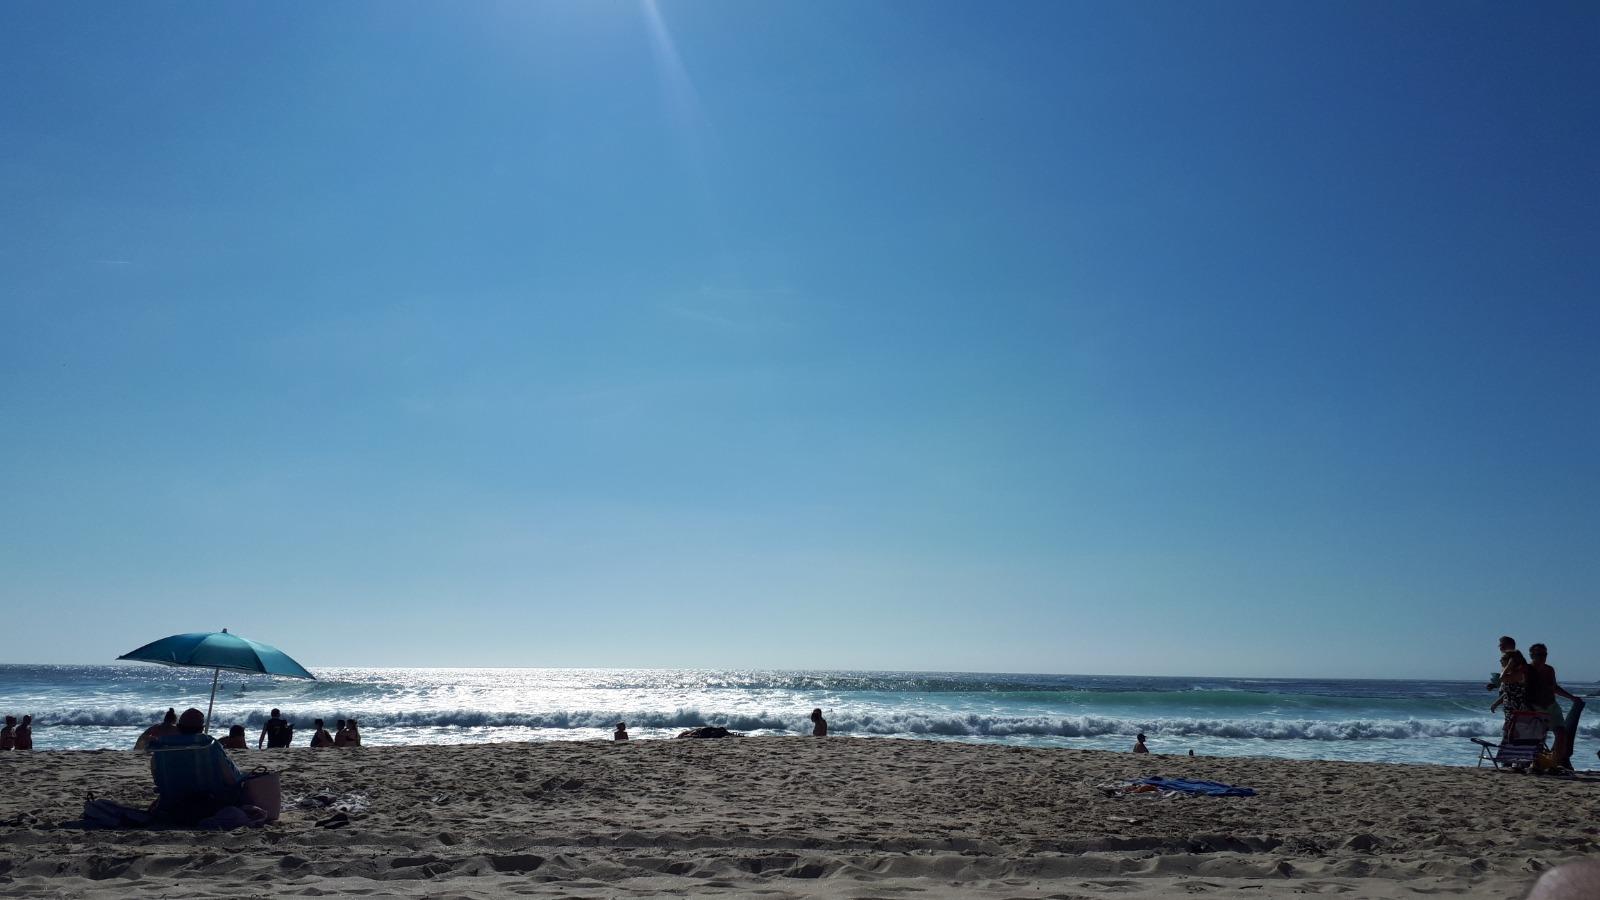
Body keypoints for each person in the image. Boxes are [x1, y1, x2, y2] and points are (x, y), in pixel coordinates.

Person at [148, 708, 243, 824]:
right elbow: (231, 778)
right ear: (202, 728)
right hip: (210, 804)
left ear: (178, 727)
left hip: (172, 804)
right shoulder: (209, 745)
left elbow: (157, 779)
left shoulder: (163, 746)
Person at [1526, 643, 1580, 770]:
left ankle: (1554, 763)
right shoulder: (1527, 670)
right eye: (1539, 654)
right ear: (1532, 655)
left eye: (1544, 654)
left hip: (1551, 705)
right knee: (1539, 736)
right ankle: (1536, 762)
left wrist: (1571, 697)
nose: (1542, 657)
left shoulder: (1549, 669)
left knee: (1561, 733)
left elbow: (1554, 688)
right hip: (1536, 707)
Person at [1490, 643, 1531, 741]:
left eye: (1503, 658)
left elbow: (1502, 678)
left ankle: (1510, 754)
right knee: (1508, 734)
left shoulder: (1519, 674)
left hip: (1517, 711)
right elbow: (1508, 692)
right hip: (1510, 711)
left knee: (1510, 736)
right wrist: (1496, 703)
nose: (1500, 660)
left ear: (1511, 661)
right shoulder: (1512, 674)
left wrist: (1508, 666)